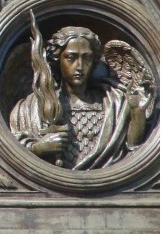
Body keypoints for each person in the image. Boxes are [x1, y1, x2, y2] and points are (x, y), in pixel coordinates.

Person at [9, 23, 152, 169]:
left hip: (106, 178)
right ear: (58, 59)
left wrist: (138, 113)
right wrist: (38, 148)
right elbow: (13, 147)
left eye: (87, 58)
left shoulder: (114, 102)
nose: (79, 66)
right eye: (71, 57)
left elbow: (133, 148)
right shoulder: (34, 106)